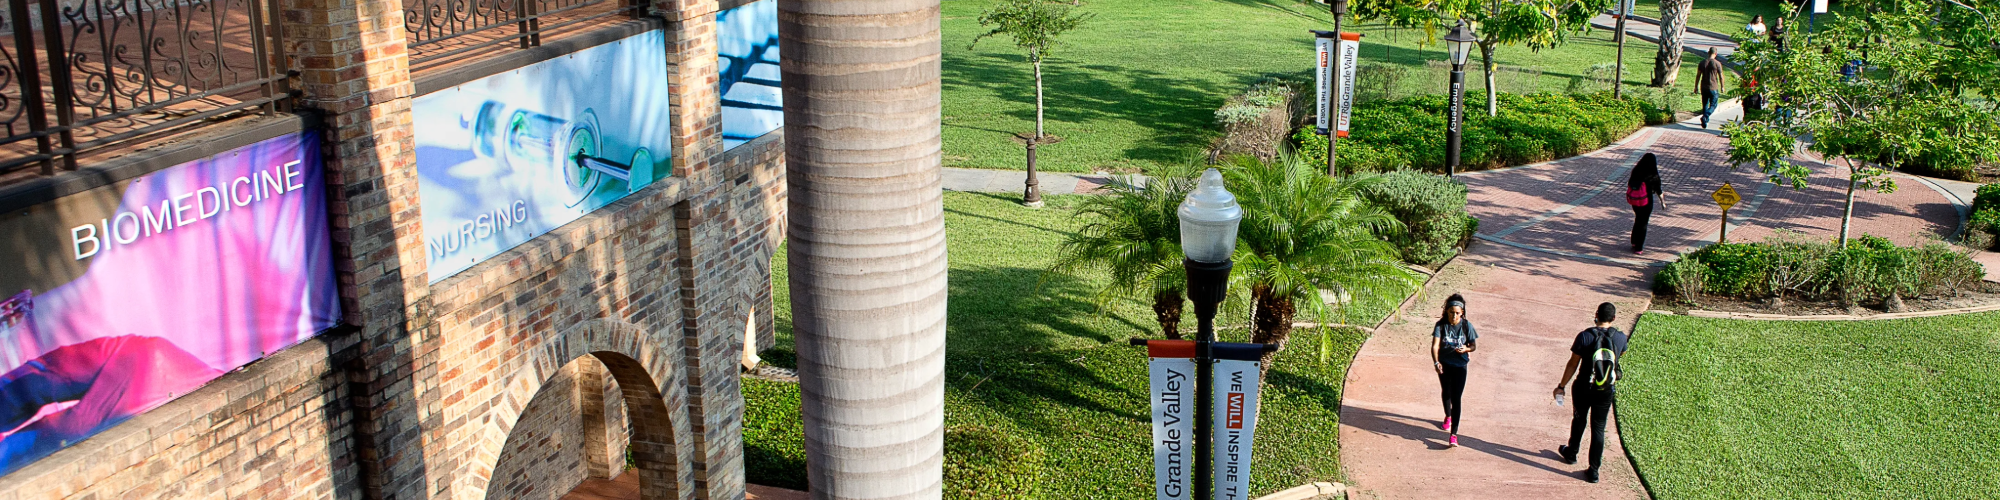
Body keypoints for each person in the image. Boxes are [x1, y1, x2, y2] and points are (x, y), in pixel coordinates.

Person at [1553, 302, 1630, 484]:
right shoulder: (1620, 338)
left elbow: (1573, 363)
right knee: (1598, 427)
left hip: (1584, 387)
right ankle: (1594, 471)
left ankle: (1572, 453)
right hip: (1605, 390)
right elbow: (1619, 357)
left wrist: (1561, 385)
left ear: (1596, 315)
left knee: (1579, 419)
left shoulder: (1585, 336)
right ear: (1614, 318)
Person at [1430, 293, 1478, 448]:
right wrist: (1436, 362)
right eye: (1451, 312)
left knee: (1457, 398)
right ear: (1447, 311)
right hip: (1444, 364)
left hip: (1460, 366)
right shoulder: (1441, 325)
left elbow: (1473, 346)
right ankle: (1448, 416)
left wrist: (1466, 349)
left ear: (1462, 312)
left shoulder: (1466, 325)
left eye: (1457, 313)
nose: (1454, 316)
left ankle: (1454, 435)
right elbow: (1435, 345)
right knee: (1446, 392)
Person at [1625, 153, 1664, 254]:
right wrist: (1662, 202)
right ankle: (1639, 248)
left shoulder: (1636, 170)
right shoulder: (1653, 174)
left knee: (1638, 219)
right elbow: (1659, 190)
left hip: (1635, 200)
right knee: (1643, 223)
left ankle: (1633, 241)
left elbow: (1631, 183)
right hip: (1647, 201)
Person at [1696, 51, 1727, 128]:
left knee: (1705, 104)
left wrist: (1696, 86)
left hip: (1704, 87)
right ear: (1715, 54)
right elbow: (1721, 76)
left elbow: (1698, 75)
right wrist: (1722, 86)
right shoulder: (1717, 63)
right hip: (1713, 87)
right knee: (1714, 105)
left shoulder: (1702, 63)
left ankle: (1705, 121)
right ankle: (1705, 116)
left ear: (1708, 53)